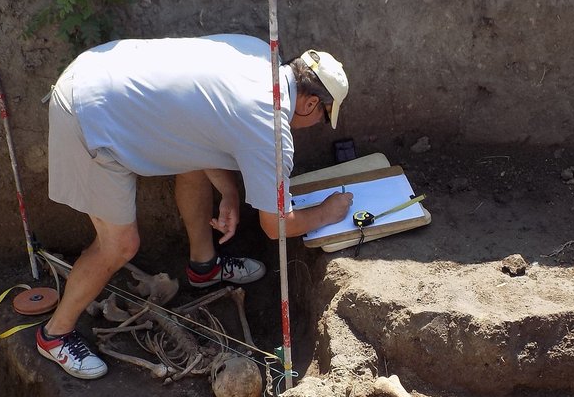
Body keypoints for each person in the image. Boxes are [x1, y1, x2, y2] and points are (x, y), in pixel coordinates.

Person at [37, 34, 352, 379]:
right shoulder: (271, 126)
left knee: (192, 166)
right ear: (309, 104)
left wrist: (229, 192)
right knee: (119, 244)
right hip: (89, 116)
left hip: (99, 71)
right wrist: (327, 212)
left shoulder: (259, 54)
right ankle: (54, 335)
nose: (315, 124)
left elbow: (200, 126)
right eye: (323, 116)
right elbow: (276, 225)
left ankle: (204, 267)